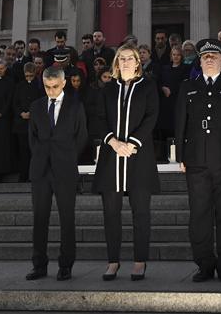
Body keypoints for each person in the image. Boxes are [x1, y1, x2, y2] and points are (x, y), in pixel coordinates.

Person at [175, 39, 221, 283]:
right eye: (205, 55)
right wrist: (181, 156)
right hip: (196, 160)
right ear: (199, 61)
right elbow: (180, 123)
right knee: (199, 215)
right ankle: (204, 265)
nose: (209, 58)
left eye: (213, 55)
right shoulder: (188, 86)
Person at [92, 44, 160, 281]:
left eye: (129, 58)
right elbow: (99, 119)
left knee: (141, 213)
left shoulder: (148, 87)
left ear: (137, 62)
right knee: (111, 213)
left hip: (138, 157)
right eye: (121, 59)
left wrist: (131, 143)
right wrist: (113, 142)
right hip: (112, 158)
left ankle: (139, 261)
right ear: (116, 63)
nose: (126, 62)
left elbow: (152, 116)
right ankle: (113, 262)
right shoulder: (108, 89)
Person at [26, 66, 88, 282]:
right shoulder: (36, 106)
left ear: (63, 83)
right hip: (40, 170)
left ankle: (66, 265)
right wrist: (42, 157)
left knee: (66, 219)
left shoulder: (75, 105)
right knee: (39, 219)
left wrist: (66, 157)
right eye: (46, 87)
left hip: (65, 169)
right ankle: (39, 265)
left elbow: (81, 137)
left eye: (54, 87)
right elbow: (32, 138)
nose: (50, 91)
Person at [12, 62, 42, 182]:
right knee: (23, 150)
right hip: (21, 124)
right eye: (27, 76)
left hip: (35, 124)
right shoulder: (19, 86)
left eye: (31, 75)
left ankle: (34, 174)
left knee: (34, 150)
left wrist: (32, 113)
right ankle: (23, 174)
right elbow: (15, 103)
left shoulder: (40, 86)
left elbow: (42, 102)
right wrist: (21, 113)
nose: (29, 78)